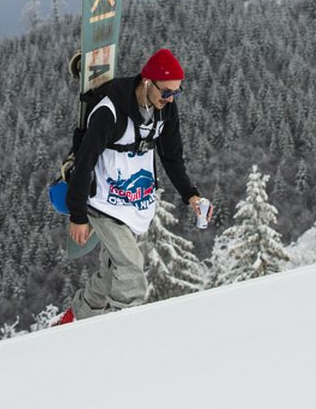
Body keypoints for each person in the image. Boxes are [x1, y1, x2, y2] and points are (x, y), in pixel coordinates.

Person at [58, 48, 212, 324]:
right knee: (131, 270)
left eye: (176, 92)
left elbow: (172, 157)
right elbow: (84, 162)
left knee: (112, 269)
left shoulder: (165, 112)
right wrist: (78, 215)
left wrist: (191, 195)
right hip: (101, 201)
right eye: (166, 92)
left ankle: (74, 318)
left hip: (132, 201)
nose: (170, 99)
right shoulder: (110, 111)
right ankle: (126, 335)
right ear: (146, 82)